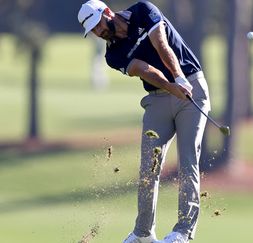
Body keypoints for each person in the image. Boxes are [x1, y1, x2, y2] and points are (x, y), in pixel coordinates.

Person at [77, 1, 211, 243]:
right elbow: (145, 70)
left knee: (188, 160)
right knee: (149, 167)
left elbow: (161, 44)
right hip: (158, 97)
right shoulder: (113, 54)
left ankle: (183, 231)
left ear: (107, 12)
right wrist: (171, 86)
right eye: (93, 31)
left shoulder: (143, 11)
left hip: (191, 86)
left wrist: (179, 78)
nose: (98, 32)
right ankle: (143, 233)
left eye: (98, 25)